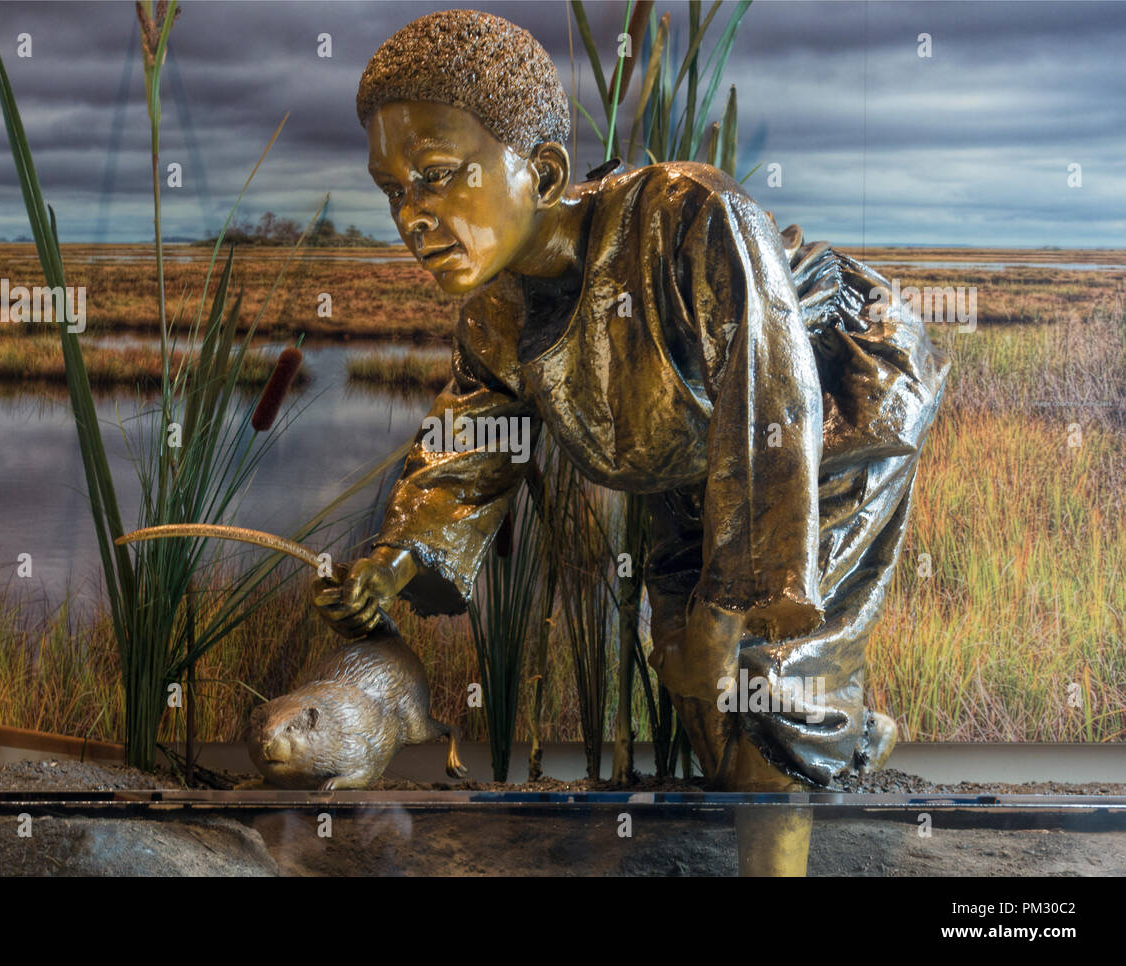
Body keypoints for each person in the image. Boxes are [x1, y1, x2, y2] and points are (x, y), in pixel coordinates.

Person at [314, 9, 950, 874]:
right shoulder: (495, 318)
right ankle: (849, 736)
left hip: (829, 426)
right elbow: (467, 453)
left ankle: (797, 800)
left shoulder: (690, 217)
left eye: (437, 175)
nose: (412, 216)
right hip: (692, 461)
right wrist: (391, 566)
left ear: (539, 170)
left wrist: (730, 616)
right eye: (393, 190)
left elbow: (774, 410)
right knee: (694, 680)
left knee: (763, 667)